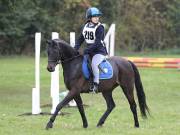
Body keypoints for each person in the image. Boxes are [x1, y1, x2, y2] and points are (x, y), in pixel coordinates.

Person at [74, 7, 108, 93]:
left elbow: (97, 44)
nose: (97, 18)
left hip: (99, 51)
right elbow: (80, 39)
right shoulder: (85, 26)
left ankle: (96, 84)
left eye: (98, 16)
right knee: (81, 62)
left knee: (94, 63)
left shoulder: (100, 28)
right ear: (89, 18)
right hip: (89, 51)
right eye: (94, 16)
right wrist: (75, 48)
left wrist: (86, 50)